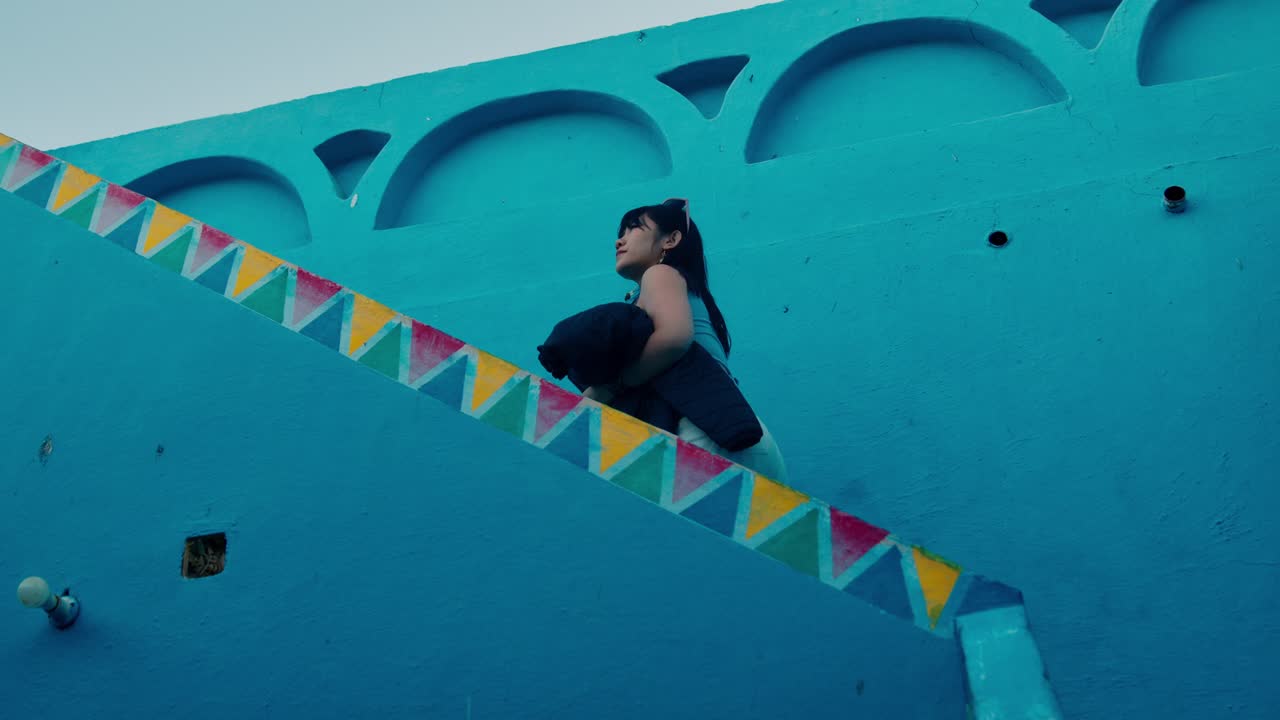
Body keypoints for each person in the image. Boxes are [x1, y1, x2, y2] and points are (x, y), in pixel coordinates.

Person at [584, 199, 788, 482]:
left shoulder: (660, 273)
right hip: (732, 429)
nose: (620, 240)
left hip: (707, 430)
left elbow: (673, 339)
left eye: (633, 229)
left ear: (671, 239)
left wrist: (610, 386)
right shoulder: (675, 288)